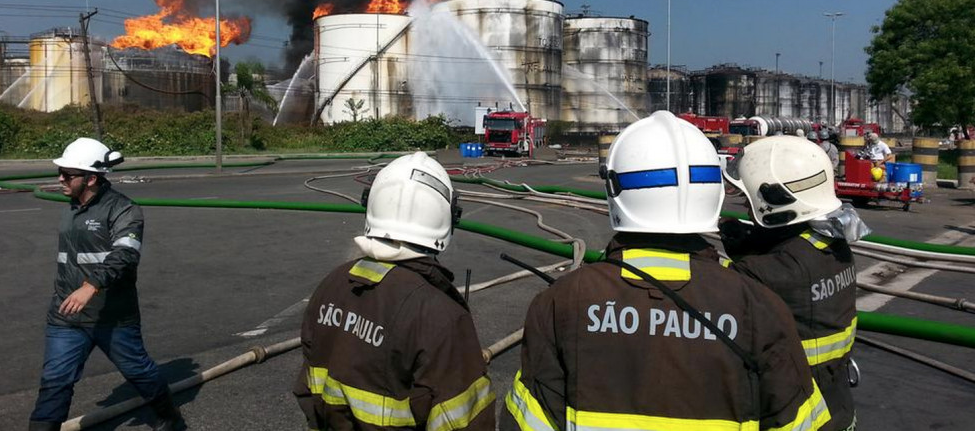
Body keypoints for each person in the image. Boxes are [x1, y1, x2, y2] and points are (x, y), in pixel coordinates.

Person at [503, 111, 830, 431]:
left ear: (615, 191)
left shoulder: (561, 303)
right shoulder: (760, 307)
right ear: (712, 189)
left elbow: (528, 423)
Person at [294, 152, 494, 430]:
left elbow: (309, 391)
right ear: (448, 218)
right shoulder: (440, 316)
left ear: (371, 206)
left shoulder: (332, 286)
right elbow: (464, 422)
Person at [30, 138, 183, 431]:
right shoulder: (72, 208)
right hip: (67, 314)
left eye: (68, 174)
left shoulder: (124, 210)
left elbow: (125, 254)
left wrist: (90, 287)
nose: (60, 179)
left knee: (139, 371)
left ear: (91, 178)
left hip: (113, 316)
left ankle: (169, 416)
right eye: (60, 172)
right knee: (55, 381)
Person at [721, 136, 868, 431]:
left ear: (777, 200)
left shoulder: (767, 273)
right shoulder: (833, 245)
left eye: (750, 203)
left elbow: (710, 282)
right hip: (836, 404)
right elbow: (794, 258)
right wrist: (750, 241)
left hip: (798, 413)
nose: (748, 211)